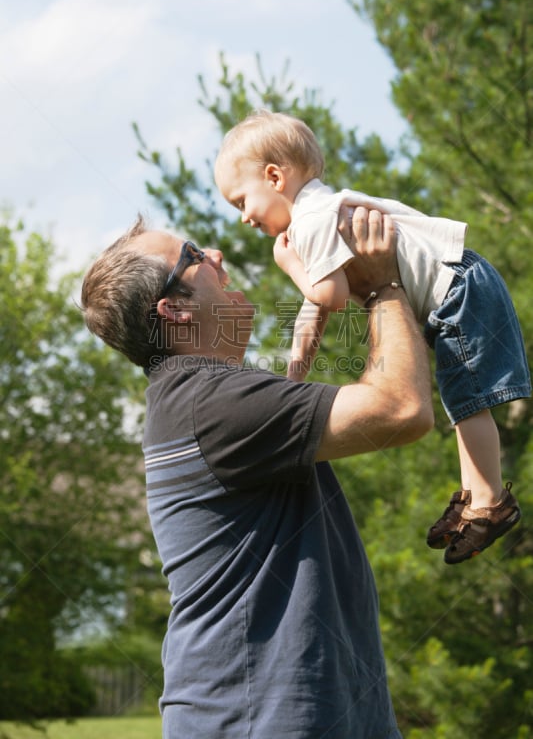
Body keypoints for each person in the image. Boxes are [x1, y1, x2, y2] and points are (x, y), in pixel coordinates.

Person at [81, 208, 433, 738]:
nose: (217, 255)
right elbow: (403, 409)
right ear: (174, 310)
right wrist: (382, 285)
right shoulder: (210, 401)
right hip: (261, 722)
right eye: (195, 256)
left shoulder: (199, 398)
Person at [214, 109, 531, 566]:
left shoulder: (313, 220)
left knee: (468, 403)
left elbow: (329, 295)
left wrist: (291, 267)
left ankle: (490, 501)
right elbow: (315, 309)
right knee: (461, 402)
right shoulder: (316, 216)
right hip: (459, 285)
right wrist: (293, 376)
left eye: (241, 201)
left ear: (274, 176)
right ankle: (475, 493)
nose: (243, 218)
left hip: (456, 287)